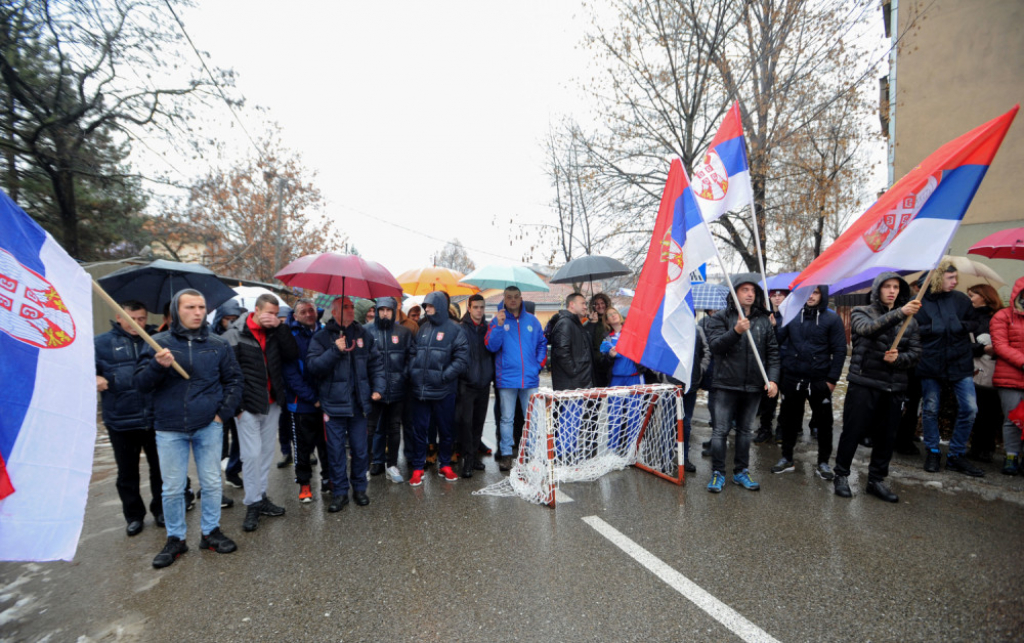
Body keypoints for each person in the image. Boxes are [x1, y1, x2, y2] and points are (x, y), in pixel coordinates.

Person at [135, 289, 243, 568]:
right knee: (172, 488)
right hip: (169, 427)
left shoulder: (218, 344)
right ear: (176, 311)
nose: (197, 313)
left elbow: (234, 381)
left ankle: (210, 532)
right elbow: (141, 384)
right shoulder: (158, 343)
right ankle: (176, 539)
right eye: (190, 307)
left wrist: (221, 415)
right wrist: (158, 366)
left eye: (201, 307)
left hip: (208, 425)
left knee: (211, 483)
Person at [832, 272, 921, 501]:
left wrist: (898, 359)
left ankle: (876, 480)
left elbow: (915, 353)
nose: (892, 291)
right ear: (877, 289)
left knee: (886, 437)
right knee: (852, 431)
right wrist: (900, 313)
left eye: (896, 287)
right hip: (865, 382)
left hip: (893, 386)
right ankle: (841, 475)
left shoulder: (910, 321)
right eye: (887, 286)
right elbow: (867, 330)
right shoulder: (861, 312)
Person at [222, 293, 300, 532]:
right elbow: (227, 372)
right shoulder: (235, 333)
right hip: (247, 405)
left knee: (266, 453)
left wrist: (280, 328)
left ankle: (261, 496)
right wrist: (236, 407)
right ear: (256, 310)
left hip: (272, 401)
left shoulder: (275, 331)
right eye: (269, 313)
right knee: (251, 455)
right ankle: (252, 503)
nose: (272, 317)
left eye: (276, 314)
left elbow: (292, 354)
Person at [307, 296, 386, 512]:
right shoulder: (321, 337)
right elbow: (313, 367)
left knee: (360, 451)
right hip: (333, 405)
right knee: (336, 452)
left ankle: (359, 489)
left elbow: (376, 364)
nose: (350, 310)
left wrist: (378, 388)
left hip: (359, 405)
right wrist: (334, 350)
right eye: (345, 307)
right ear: (334, 312)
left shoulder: (363, 335)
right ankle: (340, 492)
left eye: (351, 307)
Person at [703, 275, 780, 493]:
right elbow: (715, 346)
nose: (749, 294)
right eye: (744, 290)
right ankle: (718, 473)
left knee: (745, 431)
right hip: (726, 385)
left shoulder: (763, 320)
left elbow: (773, 353)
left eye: (753, 291)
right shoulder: (720, 317)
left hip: (753, 386)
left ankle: (741, 471)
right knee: (720, 431)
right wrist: (736, 331)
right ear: (735, 293)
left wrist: (773, 379)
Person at [95, 300, 164, 537]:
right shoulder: (101, 343)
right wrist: (94, 377)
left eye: (141, 319)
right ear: (119, 317)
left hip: (154, 417)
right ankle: (134, 516)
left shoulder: (156, 340)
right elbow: (81, 369)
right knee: (127, 473)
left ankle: (161, 511)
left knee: (160, 470)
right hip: (121, 419)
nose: (137, 324)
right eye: (131, 319)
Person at [771, 286, 847, 480]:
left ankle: (823, 462)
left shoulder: (832, 319)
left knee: (824, 424)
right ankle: (787, 458)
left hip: (819, 380)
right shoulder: (792, 314)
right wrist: (775, 325)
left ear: (822, 295)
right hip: (793, 378)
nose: (811, 296)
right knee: (789, 421)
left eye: (815, 292)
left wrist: (832, 380)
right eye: (807, 292)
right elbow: (778, 341)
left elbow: (840, 350)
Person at [915, 261, 984, 477]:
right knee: (930, 408)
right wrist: (933, 328)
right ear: (937, 278)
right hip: (930, 362)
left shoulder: (961, 299)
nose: (955, 281)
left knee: (970, 408)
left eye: (955, 277)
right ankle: (933, 450)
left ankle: (956, 455)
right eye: (950, 278)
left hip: (960, 361)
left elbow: (974, 322)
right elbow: (911, 329)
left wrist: (960, 326)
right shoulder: (919, 301)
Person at [406, 291, 470, 486]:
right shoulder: (423, 328)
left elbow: (462, 358)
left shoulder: (455, 330)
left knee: (446, 430)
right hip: (421, 390)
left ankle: (445, 465)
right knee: (420, 430)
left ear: (440, 306)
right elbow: (412, 352)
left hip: (444, 390)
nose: (426, 309)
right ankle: (418, 468)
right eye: (425, 306)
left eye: (430, 306)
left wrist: (443, 377)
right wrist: (414, 372)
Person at [486, 286, 547, 471]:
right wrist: (498, 325)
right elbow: (490, 346)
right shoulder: (497, 320)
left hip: (529, 379)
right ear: (504, 299)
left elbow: (542, 344)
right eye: (509, 297)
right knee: (507, 419)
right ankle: (506, 454)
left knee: (532, 419)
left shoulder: (532, 321)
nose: (512, 300)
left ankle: (530, 453)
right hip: (506, 379)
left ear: (521, 298)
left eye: (516, 297)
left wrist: (537, 365)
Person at [282, 298, 330, 502]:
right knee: (303, 447)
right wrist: (312, 398)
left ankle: (328, 479)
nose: (309, 314)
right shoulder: (289, 336)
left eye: (311, 310)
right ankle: (304, 484)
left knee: (327, 445)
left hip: (326, 401)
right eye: (303, 311)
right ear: (295, 316)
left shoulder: (326, 332)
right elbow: (291, 374)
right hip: (301, 403)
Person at [363, 297, 415, 484]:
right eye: (381, 310)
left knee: (394, 428)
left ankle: (392, 465)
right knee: (370, 429)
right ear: (377, 311)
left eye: (388, 310)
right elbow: (362, 360)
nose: (385, 313)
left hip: (397, 388)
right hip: (374, 390)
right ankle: (367, 465)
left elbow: (412, 357)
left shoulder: (404, 332)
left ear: (394, 311)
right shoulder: (366, 331)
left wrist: (403, 376)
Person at [549, 292, 596, 460]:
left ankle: (568, 453)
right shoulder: (565, 324)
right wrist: (575, 372)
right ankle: (564, 455)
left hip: (577, 381)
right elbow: (562, 352)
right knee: (569, 419)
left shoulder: (576, 323)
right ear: (571, 305)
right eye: (582, 303)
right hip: (571, 383)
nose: (585, 306)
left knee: (574, 420)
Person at [965, 283, 1004, 462]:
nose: (969, 299)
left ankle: (986, 448)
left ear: (985, 297)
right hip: (974, 368)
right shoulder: (969, 316)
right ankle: (976, 447)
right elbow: (962, 344)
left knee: (990, 411)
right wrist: (981, 348)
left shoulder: (999, 317)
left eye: (972, 295)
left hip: (996, 370)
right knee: (976, 410)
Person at [457, 294, 495, 477]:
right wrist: (464, 373)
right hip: (467, 383)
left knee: (479, 422)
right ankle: (467, 458)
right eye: (476, 307)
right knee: (466, 423)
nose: (479, 310)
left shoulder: (488, 328)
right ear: (469, 308)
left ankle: (473, 457)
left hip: (484, 382)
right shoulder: (461, 328)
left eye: (482, 307)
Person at [991, 276, 1024, 475]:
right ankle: (1011, 456)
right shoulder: (1003, 316)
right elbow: (1000, 345)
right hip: (1010, 377)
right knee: (1012, 419)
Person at [600, 307, 644, 451]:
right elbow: (603, 362)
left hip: (633, 379)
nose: (613, 316)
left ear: (619, 315)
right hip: (616, 380)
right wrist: (609, 356)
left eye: (614, 313)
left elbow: (643, 353)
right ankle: (613, 450)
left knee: (634, 416)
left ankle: (633, 450)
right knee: (614, 416)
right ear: (607, 321)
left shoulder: (633, 332)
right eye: (609, 315)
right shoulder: (607, 338)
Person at [212, 299, 246, 487]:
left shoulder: (241, 335)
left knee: (240, 438)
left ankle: (232, 471)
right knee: (216, 441)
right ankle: (212, 483)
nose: (231, 322)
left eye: (235, 318)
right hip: (215, 397)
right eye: (227, 318)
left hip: (235, 395)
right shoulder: (210, 337)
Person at [754, 287, 788, 444]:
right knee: (768, 399)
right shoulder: (764, 316)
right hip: (768, 365)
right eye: (774, 296)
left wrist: (775, 327)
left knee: (786, 399)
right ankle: (765, 428)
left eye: (781, 295)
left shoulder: (790, 316)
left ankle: (782, 428)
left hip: (786, 363)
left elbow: (785, 340)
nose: (777, 298)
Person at [588, 293, 614, 388]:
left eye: (602, 303)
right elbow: (587, 339)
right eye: (597, 304)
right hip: (597, 364)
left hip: (611, 361)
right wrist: (592, 323)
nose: (600, 306)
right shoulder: (590, 322)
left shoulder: (613, 319)